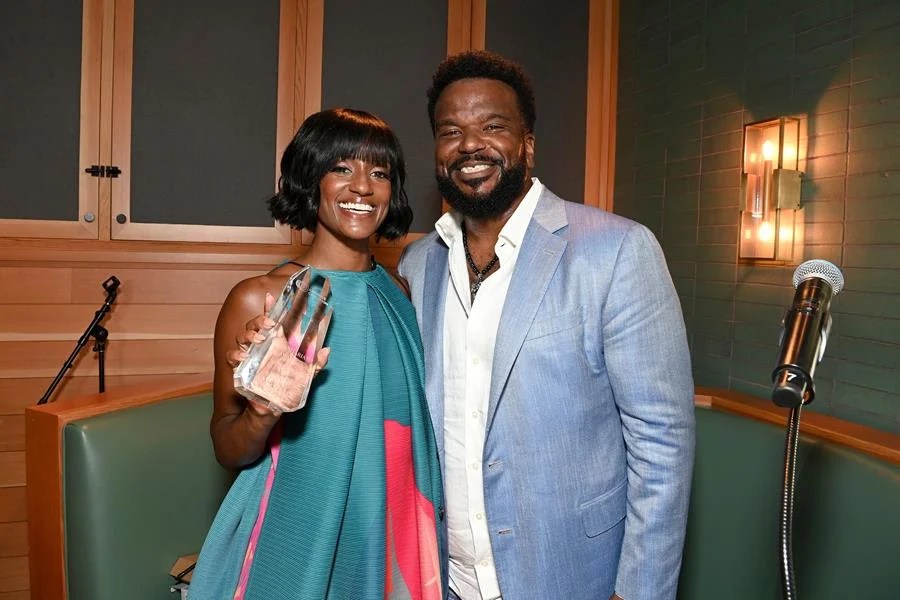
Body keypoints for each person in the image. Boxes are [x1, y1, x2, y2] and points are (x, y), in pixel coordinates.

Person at [397, 51, 695, 600]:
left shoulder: (616, 250)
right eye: (450, 131)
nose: (469, 145)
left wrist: (638, 592)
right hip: (449, 579)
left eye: (493, 127)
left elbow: (662, 443)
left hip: (573, 575)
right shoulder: (418, 265)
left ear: (527, 144)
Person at [189, 108, 445, 599]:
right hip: (296, 528)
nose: (363, 187)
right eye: (342, 168)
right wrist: (262, 414)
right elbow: (228, 448)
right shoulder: (259, 296)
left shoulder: (398, 292)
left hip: (390, 526)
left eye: (379, 172)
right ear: (312, 179)